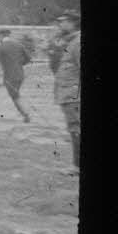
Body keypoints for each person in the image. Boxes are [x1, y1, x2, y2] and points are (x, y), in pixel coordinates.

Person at [47, 10, 80, 173]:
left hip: (74, 95)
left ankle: (76, 166)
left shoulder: (77, 42)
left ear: (73, 23)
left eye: (64, 21)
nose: (60, 24)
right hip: (68, 94)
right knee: (74, 129)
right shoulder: (69, 42)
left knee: (75, 129)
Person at [0, 28, 31, 123]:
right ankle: (24, 113)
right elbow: (28, 58)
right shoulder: (19, 45)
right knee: (16, 95)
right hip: (20, 75)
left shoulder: (1, 47)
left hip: (9, 77)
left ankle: (25, 114)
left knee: (15, 96)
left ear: (1, 36)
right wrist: (19, 64)